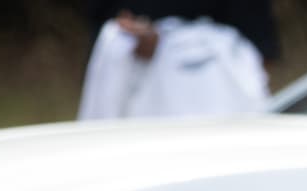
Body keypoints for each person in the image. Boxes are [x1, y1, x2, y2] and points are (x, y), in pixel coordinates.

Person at [79, 2, 281, 120]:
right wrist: (128, 34)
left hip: (222, 76)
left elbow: (260, 39)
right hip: (143, 85)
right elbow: (109, 18)